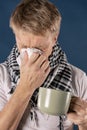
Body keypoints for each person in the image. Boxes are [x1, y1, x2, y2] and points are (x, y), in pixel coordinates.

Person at [0, 0, 87, 130]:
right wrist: (25, 86)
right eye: (24, 46)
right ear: (16, 36)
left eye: (39, 48)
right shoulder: (2, 76)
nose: (31, 55)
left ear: (54, 38)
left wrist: (84, 123)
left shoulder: (78, 78)